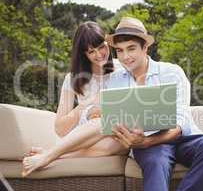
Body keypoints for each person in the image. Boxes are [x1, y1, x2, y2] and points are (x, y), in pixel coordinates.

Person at [106, 17, 203, 191]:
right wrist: (129, 137)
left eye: (131, 48)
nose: (125, 57)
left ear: (145, 48)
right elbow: (113, 122)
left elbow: (181, 121)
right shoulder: (115, 80)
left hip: (182, 140)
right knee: (155, 161)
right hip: (147, 145)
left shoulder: (172, 72)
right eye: (119, 50)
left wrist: (148, 141)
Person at [22, 21, 128, 177]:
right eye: (91, 52)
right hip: (87, 135)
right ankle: (51, 155)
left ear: (107, 43)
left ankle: (50, 155)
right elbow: (60, 128)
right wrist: (86, 105)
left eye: (102, 47)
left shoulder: (123, 68)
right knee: (102, 121)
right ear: (83, 54)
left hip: (116, 134)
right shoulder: (72, 79)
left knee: (118, 142)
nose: (99, 55)